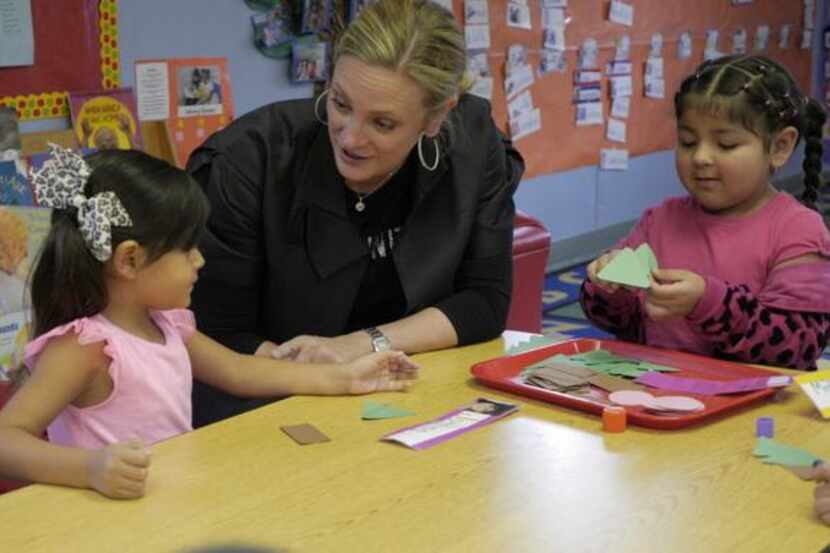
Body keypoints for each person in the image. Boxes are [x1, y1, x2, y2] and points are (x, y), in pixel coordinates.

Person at [0, 146, 418, 499]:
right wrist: (90, 469)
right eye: (186, 249)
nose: (199, 261)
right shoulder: (85, 347)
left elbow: (239, 371)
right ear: (130, 259)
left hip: (167, 507)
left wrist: (345, 378)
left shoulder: (167, 325)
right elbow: (6, 440)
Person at [186, 0, 524, 426]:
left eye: (383, 124)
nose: (349, 138)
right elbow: (216, 335)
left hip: (406, 391)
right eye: (340, 103)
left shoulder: (473, 147)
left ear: (437, 117)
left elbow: (484, 301)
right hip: (263, 405)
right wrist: (328, 373)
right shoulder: (249, 161)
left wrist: (360, 345)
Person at [580, 54, 830, 370]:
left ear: (780, 147)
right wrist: (607, 288)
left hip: (752, 411)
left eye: (725, 145)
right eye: (687, 142)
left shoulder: (798, 230)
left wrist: (708, 302)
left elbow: (796, 346)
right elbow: (622, 322)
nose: (700, 157)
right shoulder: (660, 220)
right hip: (657, 397)